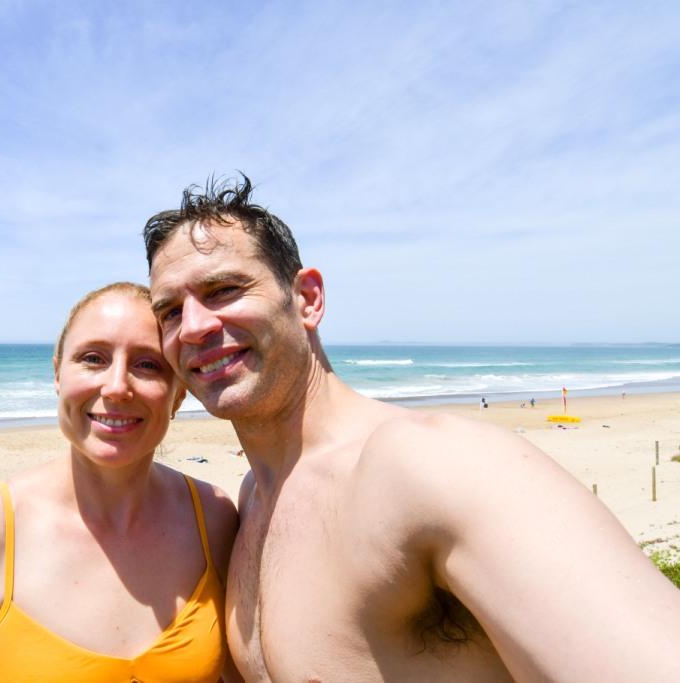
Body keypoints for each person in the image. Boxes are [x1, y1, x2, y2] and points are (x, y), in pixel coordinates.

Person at [144, 175, 680, 682]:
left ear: (307, 299)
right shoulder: (252, 499)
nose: (193, 326)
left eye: (224, 289)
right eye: (169, 311)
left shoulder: (429, 464)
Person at [0, 283, 239, 682]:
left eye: (148, 365)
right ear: (57, 373)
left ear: (178, 395)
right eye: (93, 358)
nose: (117, 386)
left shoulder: (212, 518)